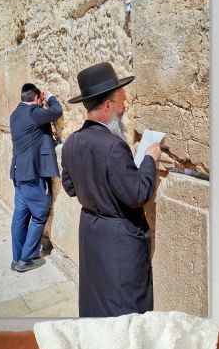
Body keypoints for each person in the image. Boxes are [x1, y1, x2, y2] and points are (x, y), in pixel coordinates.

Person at [60, 62, 161, 317]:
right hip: (118, 243)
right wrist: (149, 160)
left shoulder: (71, 142)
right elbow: (137, 193)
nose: (124, 108)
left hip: (91, 234)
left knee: (97, 306)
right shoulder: (114, 146)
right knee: (124, 312)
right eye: (121, 103)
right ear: (107, 105)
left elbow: (70, 187)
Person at [8, 82, 62, 272]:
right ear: (37, 98)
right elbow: (57, 111)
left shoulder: (15, 114)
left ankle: (16, 258)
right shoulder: (35, 112)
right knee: (39, 215)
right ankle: (26, 259)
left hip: (18, 174)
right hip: (33, 175)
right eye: (41, 99)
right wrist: (51, 97)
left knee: (20, 216)